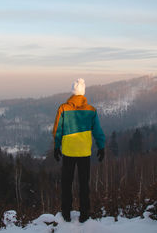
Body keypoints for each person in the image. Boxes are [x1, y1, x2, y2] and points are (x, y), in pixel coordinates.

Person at [52, 78, 105, 223]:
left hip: (68, 152)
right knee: (84, 184)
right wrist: (101, 146)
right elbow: (98, 131)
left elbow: (57, 130)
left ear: (72, 92)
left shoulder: (63, 108)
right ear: (83, 93)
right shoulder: (91, 110)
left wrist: (57, 146)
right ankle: (84, 214)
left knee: (66, 184)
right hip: (84, 153)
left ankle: (66, 213)